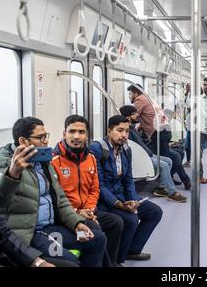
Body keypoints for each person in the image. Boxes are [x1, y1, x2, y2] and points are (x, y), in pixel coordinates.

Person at [0, 117, 107, 267]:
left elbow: (60, 198)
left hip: (51, 228)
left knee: (97, 239)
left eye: (46, 136)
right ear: (23, 141)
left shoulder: (43, 161)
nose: (46, 141)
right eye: (40, 137)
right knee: (70, 262)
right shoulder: (3, 162)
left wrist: (76, 223)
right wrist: (12, 174)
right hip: (29, 233)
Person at [52, 115, 125, 266]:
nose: (76, 136)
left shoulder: (90, 158)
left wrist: (89, 210)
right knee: (96, 230)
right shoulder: (54, 161)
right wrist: (78, 213)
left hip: (88, 209)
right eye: (72, 131)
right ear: (64, 133)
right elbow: (56, 197)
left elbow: (95, 188)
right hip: (67, 215)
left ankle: (110, 262)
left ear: (87, 135)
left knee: (116, 222)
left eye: (81, 132)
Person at [90, 115, 163, 264]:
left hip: (122, 195)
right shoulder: (97, 149)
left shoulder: (126, 149)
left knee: (155, 212)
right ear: (109, 130)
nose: (124, 135)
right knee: (131, 219)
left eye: (127, 131)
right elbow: (99, 184)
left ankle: (132, 250)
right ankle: (116, 259)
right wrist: (118, 203)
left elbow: (128, 178)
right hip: (104, 199)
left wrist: (133, 199)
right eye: (119, 130)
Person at [128, 85, 191, 189]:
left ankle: (167, 185)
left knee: (166, 158)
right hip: (164, 130)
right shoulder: (148, 98)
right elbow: (147, 117)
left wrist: (124, 119)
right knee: (173, 156)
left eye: (130, 94)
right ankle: (180, 179)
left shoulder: (139, 100)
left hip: (159, 133)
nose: (129, 96)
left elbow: (133, 116)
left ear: (136, 93)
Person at [120, 105, 187, 203]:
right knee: (163, 165)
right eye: (134, 114)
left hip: (147, 154)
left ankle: (161, 188)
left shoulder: (133, 128)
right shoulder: (127, 131)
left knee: (169, 161)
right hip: (141, 157)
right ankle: (172, 193)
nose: (137, 115)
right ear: (128, 117)